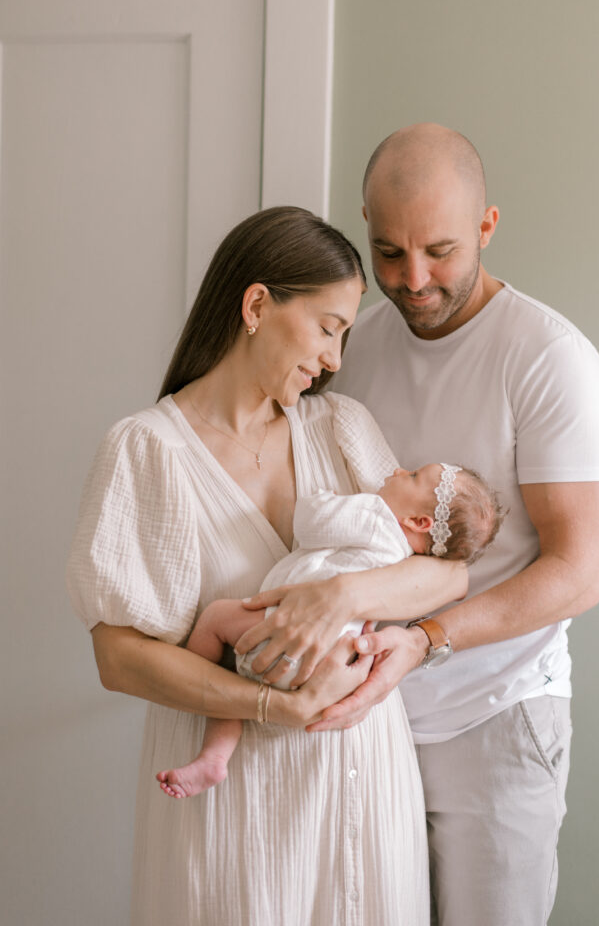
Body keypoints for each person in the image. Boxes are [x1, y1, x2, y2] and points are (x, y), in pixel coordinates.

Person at [241, 128, 599, 926]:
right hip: (360, 722)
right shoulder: (352, 347)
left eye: (440, 252)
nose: (412, 281)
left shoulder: (547, 359)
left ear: (485, 226)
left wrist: (425, 638)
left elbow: (577, 572)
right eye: (388, 253)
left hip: (495, 714)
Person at [67, 205, 470, 926]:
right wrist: (270, 706)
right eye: (327, 327)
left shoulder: (341, 426)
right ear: (257, 304)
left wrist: (340, 595)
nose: (335, 359)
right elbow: (118, 658)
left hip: (361, 773)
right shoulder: (145, 451)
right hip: (235, 794)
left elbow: (446, 573)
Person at [157, 462, 503, 799]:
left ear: (418, 521)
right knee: (239, 680)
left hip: (285, 636)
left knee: (217, 620)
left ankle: (206, 724)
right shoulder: (402, 558)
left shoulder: (375, 518)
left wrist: (325, 495)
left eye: (412, 476)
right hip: (333, 668)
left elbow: (311, 522)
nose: (398, 471)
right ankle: (214, 760)